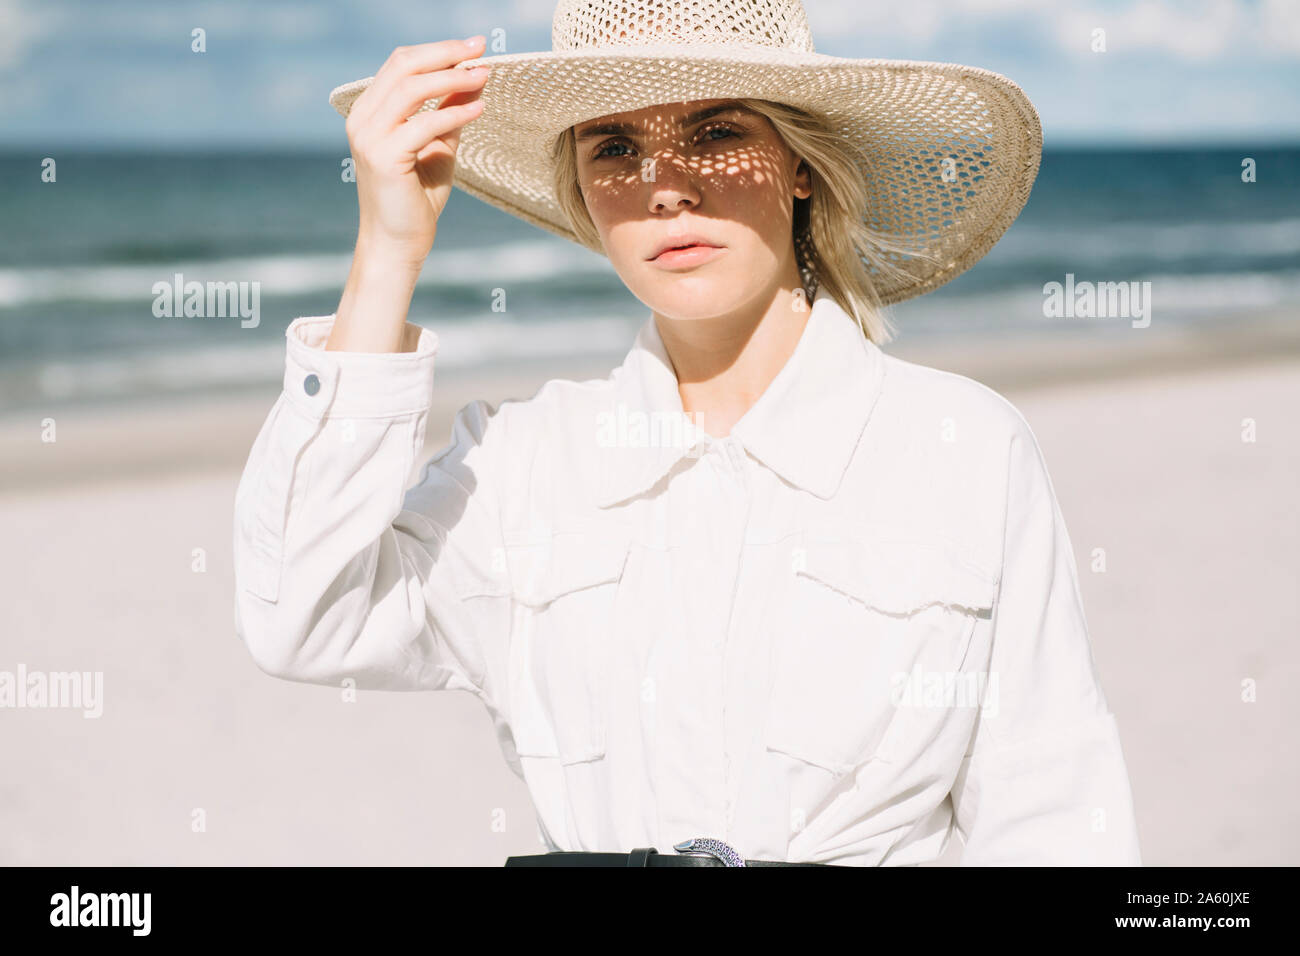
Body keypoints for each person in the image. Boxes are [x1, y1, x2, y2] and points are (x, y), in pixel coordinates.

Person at [233, 0, 1143, 866]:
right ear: (583, 193)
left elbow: (1053, 819)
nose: (664, 186)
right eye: (615, 146)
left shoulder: (962, 449)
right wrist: (389, 251)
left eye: (717, 132)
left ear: (799, 161)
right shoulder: (521, 463)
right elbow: (304, 619)